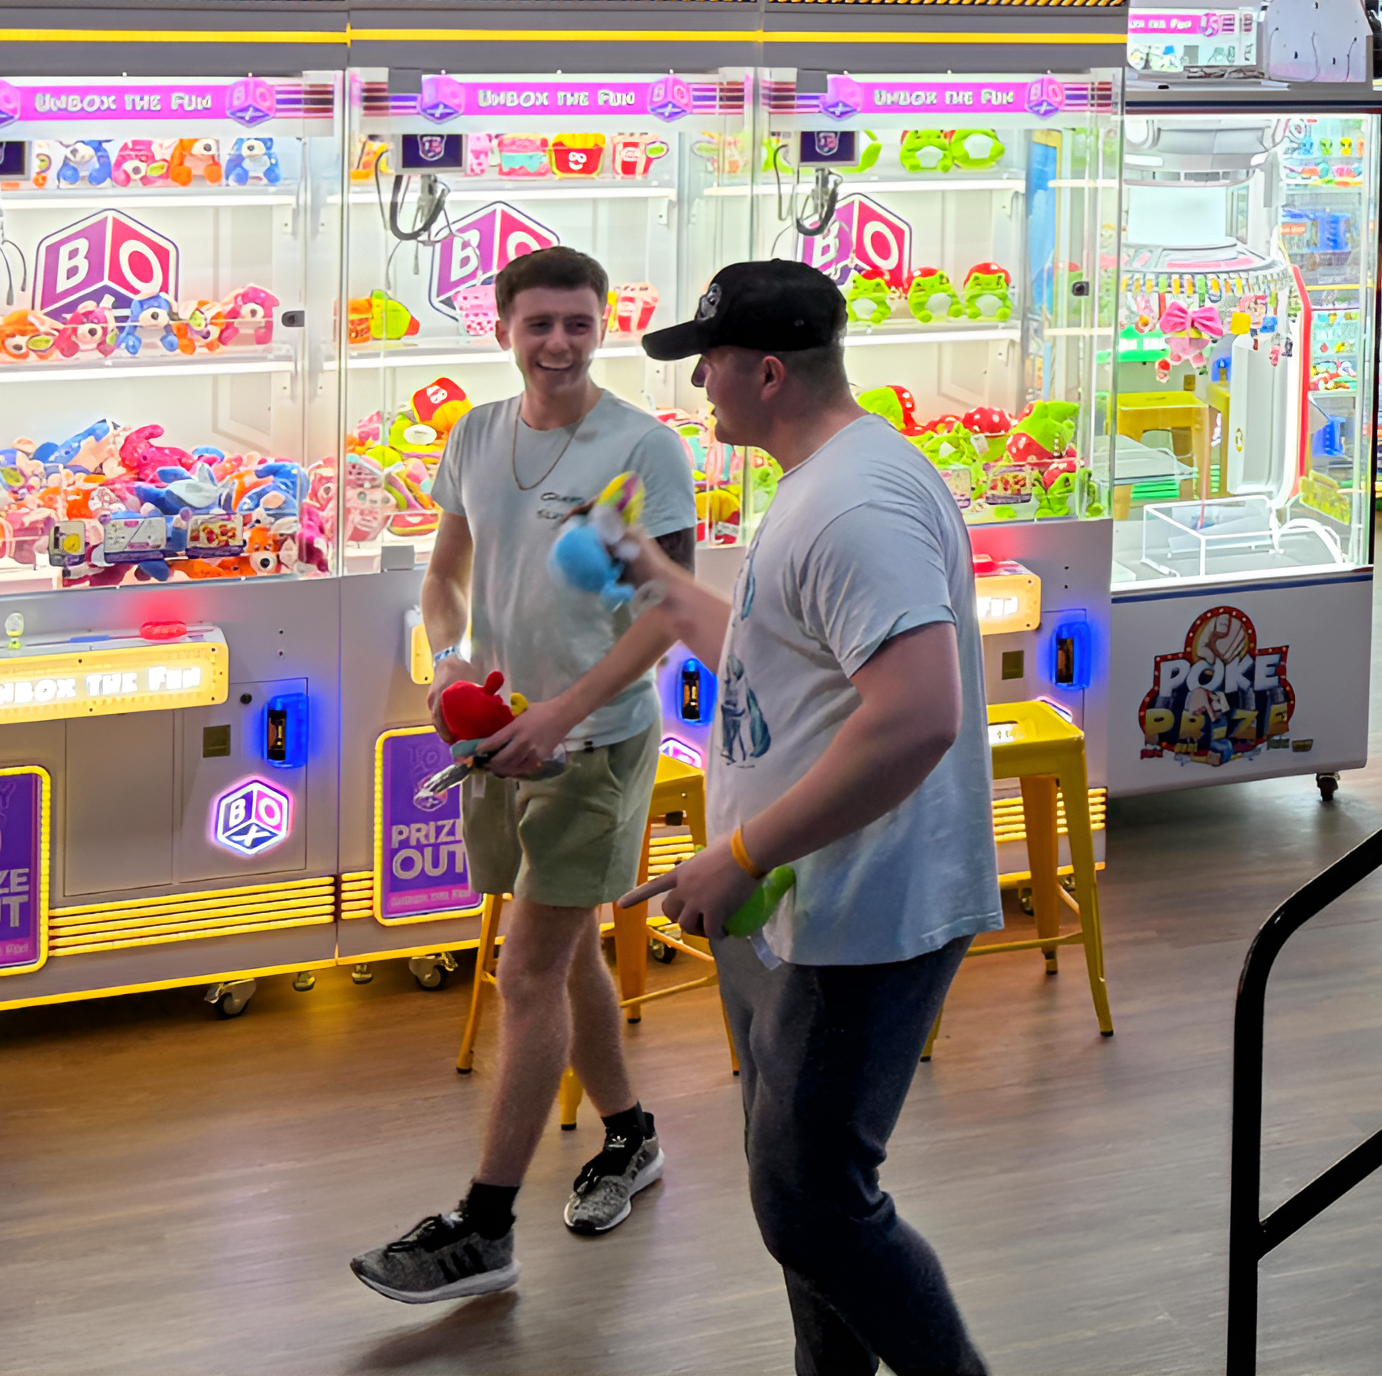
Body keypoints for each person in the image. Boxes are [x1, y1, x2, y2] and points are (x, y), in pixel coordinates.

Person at [616, 259, 1001, 1376]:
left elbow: (915, 716)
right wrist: (654, 577)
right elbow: (789, 659)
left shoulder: (852, 501)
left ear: (768, 371)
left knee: (812, 1204)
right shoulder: (832, 476)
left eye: (709, 367)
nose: (699, 392)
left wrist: (739, 853)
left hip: (857, 908)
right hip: (803, 904)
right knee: (794, 1180)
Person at [351, 246, 698, 1303]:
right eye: (539, 323)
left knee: (528, 965)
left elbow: (669, 615)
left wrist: (565, 709)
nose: (559, 343)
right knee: (560, 940)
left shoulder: (642, 449)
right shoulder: (474, 435)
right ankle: (631, 1136)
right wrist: (448, 660)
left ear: (604, 327)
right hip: (496, 738)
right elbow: (447, 572)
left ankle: (485, 1224)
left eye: (578, 324)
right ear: (500, 326)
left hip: (592, 742)